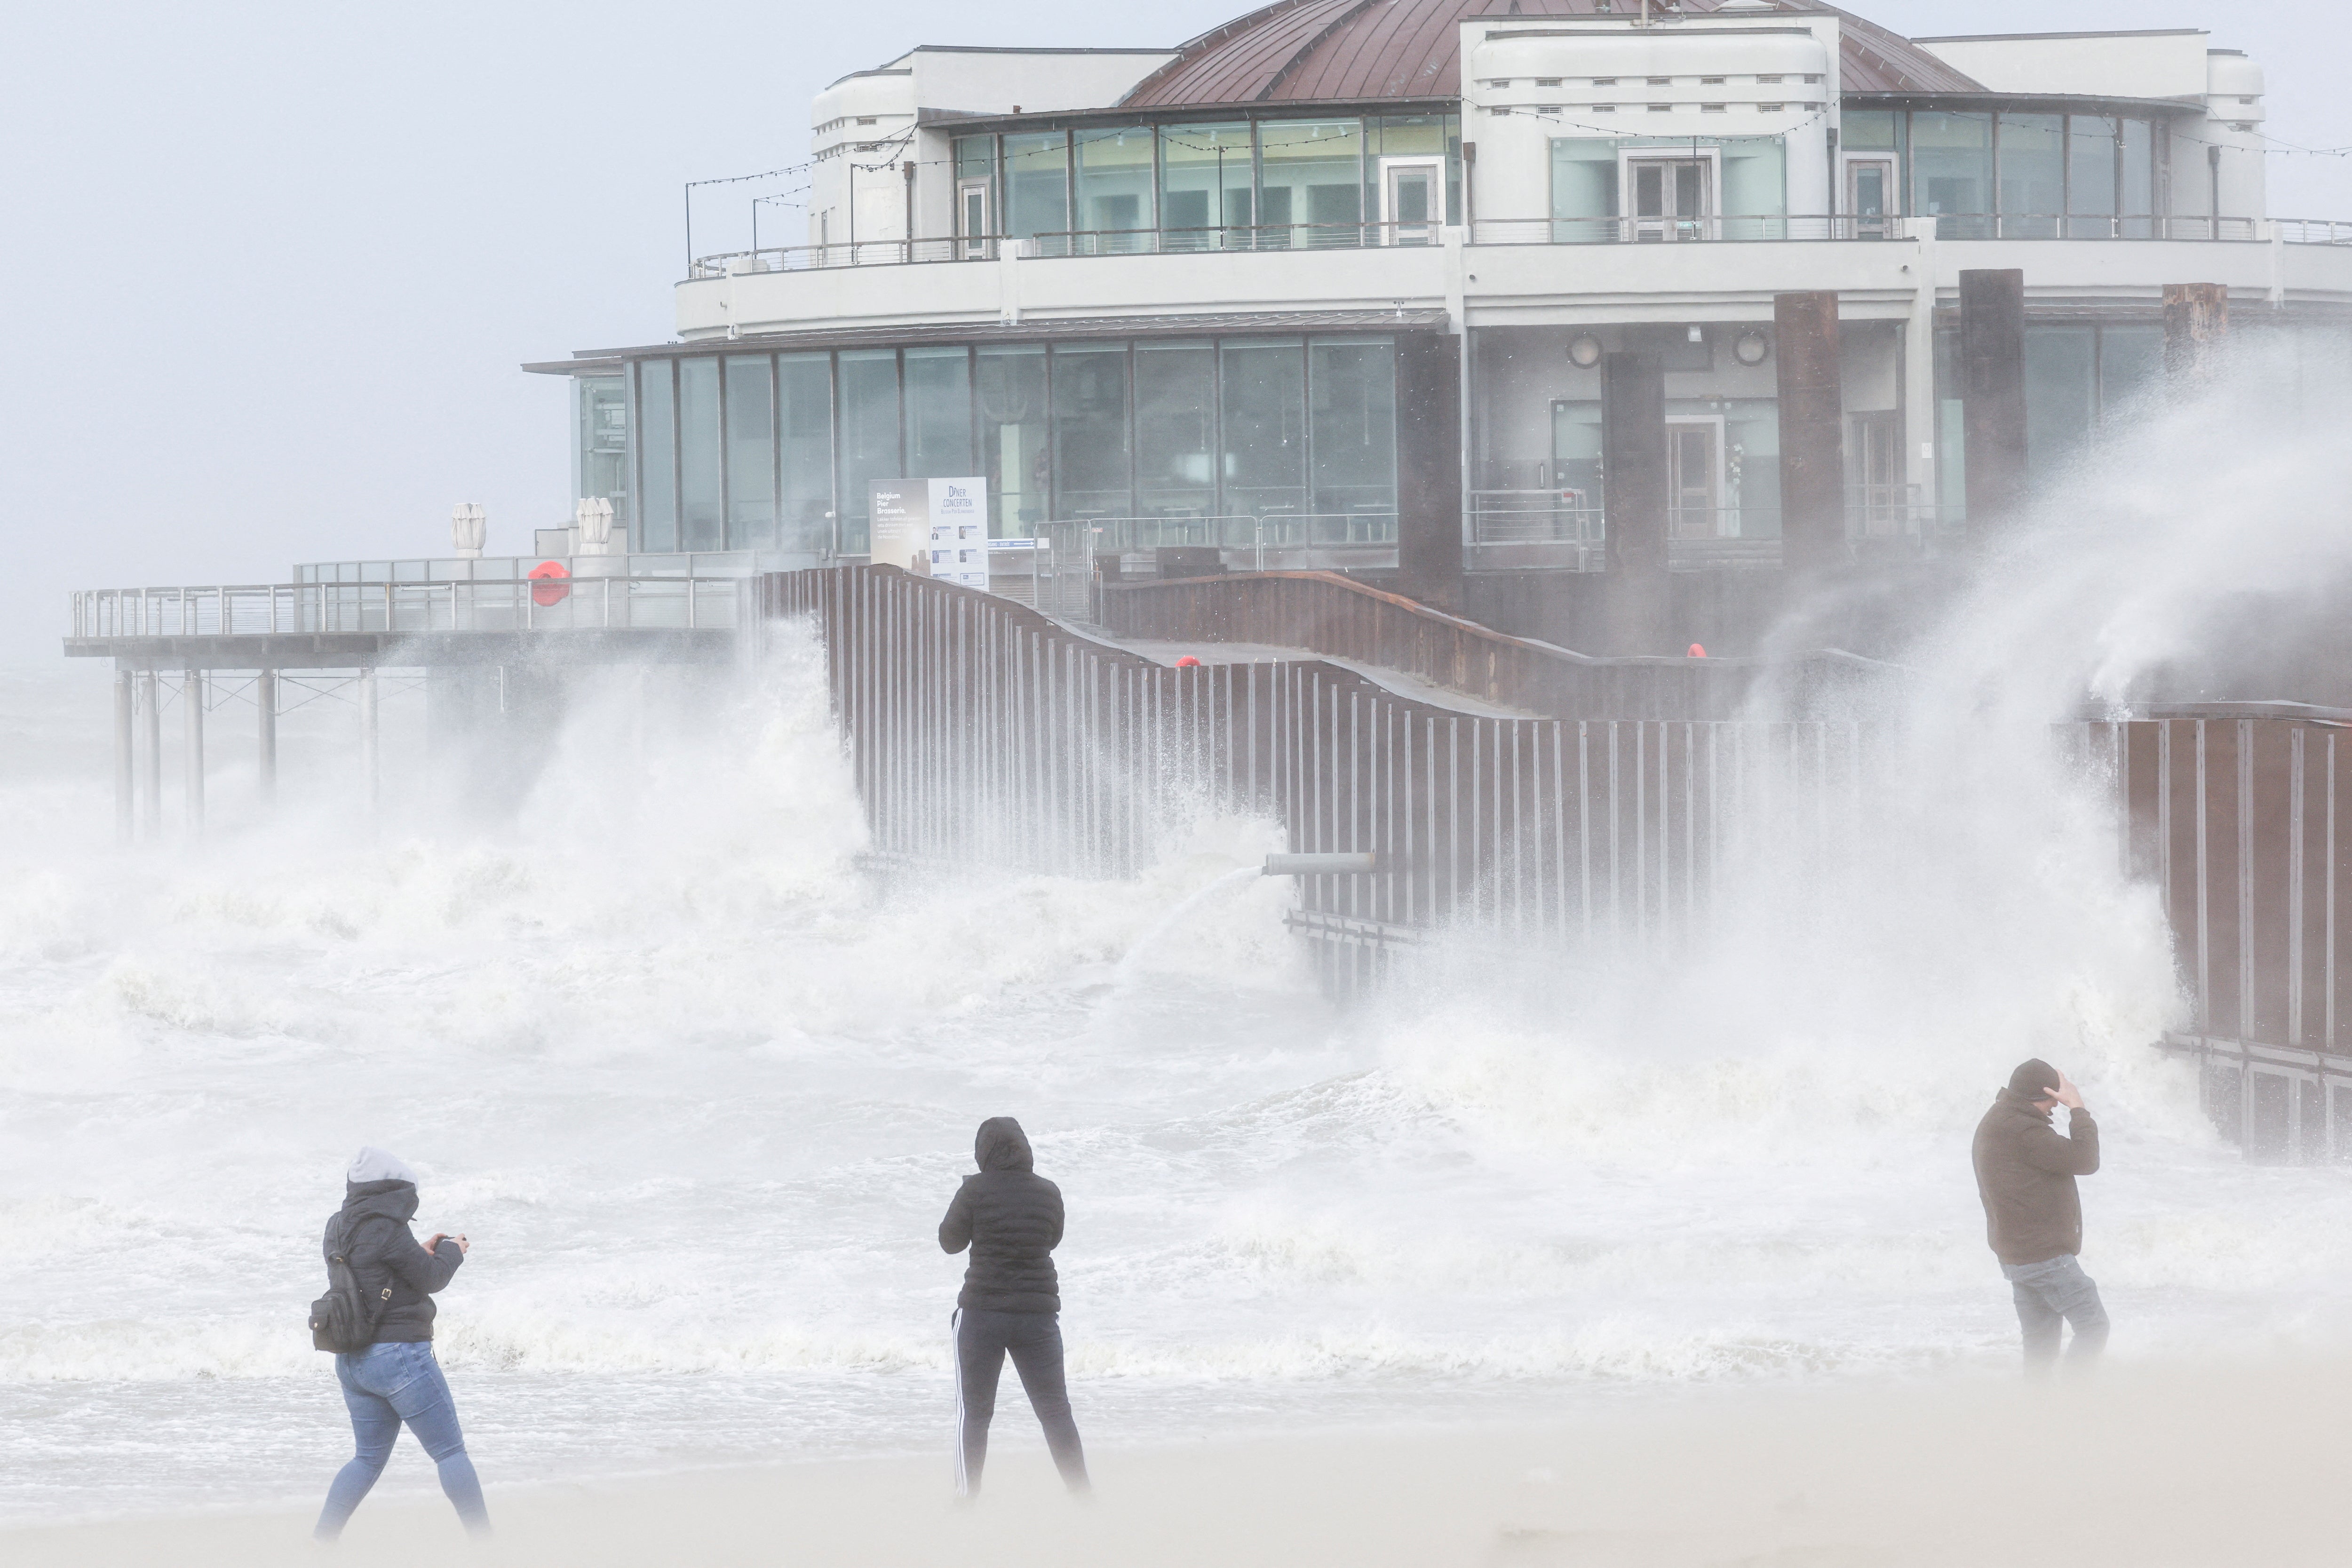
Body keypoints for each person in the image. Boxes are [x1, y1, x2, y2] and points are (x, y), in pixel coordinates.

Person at [314, 1147, 490, 1541]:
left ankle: (319, 1543)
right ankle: (486, 1546)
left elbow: (373, 1272)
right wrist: (451, 1251)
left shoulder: (338, 1225)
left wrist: (418, 1251)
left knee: (366, 1459)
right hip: (397, 1358)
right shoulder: (387, 1228)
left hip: (353, 1361)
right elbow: (432, 1278)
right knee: (449, 1452)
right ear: (394, 1190)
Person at [938, 1116, 1089, 1498]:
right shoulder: (1048, 1192)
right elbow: (1052, 1239)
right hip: (1036, 1318)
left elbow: (949, 1242)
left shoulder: (974, 1190)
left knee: (974, 1415)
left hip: (981, 1316)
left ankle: (966, 1500)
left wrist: (969, 1199)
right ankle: (1084, 1498)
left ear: (983, 1152)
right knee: (1056, 1412)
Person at [1971, 1059, 2108, 1373]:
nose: (2054, 1109)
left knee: (2041, 1348)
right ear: (2044, 1094)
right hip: (2042, 1255)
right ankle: (2071, 1401)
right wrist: (2078, 1109)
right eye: (2054, 1101)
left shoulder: (1998, 1119)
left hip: (2018, 1254)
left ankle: (2040, 1412)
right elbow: (2086, 1159)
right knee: (2094, 1325)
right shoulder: (2024, 1130)